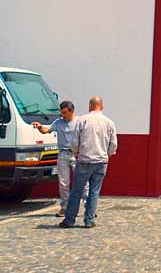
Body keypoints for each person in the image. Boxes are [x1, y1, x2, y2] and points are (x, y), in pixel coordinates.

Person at [60, 95, 117, 229]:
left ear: (90, 106)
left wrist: (76, 153)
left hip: (85, 160)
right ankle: (89, 220)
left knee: (76, 191)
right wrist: (107, 154)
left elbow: (75, 141)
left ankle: (69, 220)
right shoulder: (109, 122)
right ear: (102, 106)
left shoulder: (82, 120)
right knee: (94, 191)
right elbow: (113, 144)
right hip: (101, 161)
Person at [32, 100, 87, 217]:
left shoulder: (80, 122)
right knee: (63, 183)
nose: (63, 115)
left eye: (65, 113)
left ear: (72, 111)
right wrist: (40, 127)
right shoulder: (58, 122)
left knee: (82, 181)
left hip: (76, 155)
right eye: (61, 113)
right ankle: (64, 207)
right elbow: (46, 131)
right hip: (62, 154)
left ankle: (88, 206)